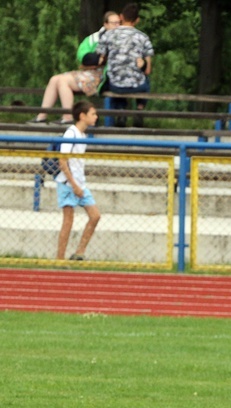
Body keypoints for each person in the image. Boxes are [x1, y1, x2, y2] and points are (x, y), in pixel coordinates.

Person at [27, 12, 120, 125]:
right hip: (90, 72)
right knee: (54, 79)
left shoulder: (120, 39)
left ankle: (68, 117)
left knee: (63, 80)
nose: (117, 26)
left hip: (104, 76)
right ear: (105, 24)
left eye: (118, 23)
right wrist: (96, 60)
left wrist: (99, 60)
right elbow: (84, 56)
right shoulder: (95, 38)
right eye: (113, 23)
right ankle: (41, 116)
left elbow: (108, 59)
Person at [55, 100, 101, 261]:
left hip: (80, 184)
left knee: (95, 216)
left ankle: (79, 252)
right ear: (82, 116)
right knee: (68, 221)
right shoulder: (71, 133)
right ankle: (59, 259)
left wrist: (79, 185)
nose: (96, 117)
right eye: (93, 114)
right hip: (68, 185)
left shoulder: (83, 135)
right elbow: (63, 161)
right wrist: (74, 185)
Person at [96, 2, 154, 128]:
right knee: (146, 81)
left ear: (121, 17)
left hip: (115, 86)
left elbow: (101, 59)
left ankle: (121, 111)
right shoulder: (143, 38)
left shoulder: (108, 35)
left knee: (116, 76)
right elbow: (148, 70)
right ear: (137, 20)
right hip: (137, 86)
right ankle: (139, 109)